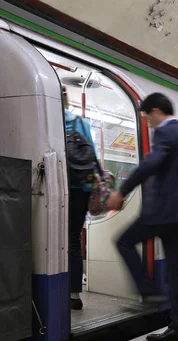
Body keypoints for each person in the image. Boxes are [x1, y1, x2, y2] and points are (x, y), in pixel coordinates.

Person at [106, 93, 178, 341]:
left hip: (162, 214)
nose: (148, 123)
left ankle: (149, 292)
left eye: (147, 117)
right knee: (177, 273)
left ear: (155, 111)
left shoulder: (164, 133)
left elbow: (150, 164)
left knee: (124, 242)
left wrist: (121, 191)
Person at [63, 86, 96, 311]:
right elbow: (92, 154)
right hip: (81, 189)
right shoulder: (79, 122)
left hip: (57, 186)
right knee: (74, 239)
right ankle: (74, 295)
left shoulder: (47, 120)